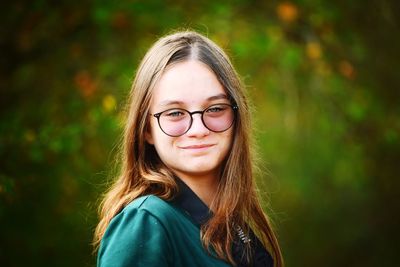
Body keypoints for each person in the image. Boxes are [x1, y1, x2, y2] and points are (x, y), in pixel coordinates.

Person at [94, 30, 283, 267]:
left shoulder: (231, 228)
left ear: (237, 116)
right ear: (146, 129)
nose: (197, 129)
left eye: (215, 109)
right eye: (175, 113)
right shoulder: (145, 223)